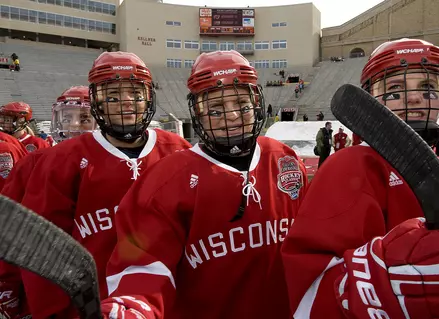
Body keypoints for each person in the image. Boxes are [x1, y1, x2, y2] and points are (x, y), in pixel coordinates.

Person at [98, 50, 308, 318]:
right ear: (197, 113)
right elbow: (142, 263)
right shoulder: (166, 181)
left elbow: (309, 243)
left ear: (256, 103)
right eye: (216, 109)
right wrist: (134, 306)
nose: (232, 116)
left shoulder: (284, 159)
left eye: (242, 104)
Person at [282, 38, 439, 319]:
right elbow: (309, 292)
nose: (413, 98)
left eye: (427, 87)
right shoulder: (348, 167)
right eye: (395, 89)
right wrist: (385, 282)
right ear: (369, 99)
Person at [0, 51, 191, 319]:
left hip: (166, 306)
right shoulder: (59, 161)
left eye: (135, 94)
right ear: (97, 100)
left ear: (148, 97)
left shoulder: (177, 151)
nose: (125, 103)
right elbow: (40, 256)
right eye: (112, 95)